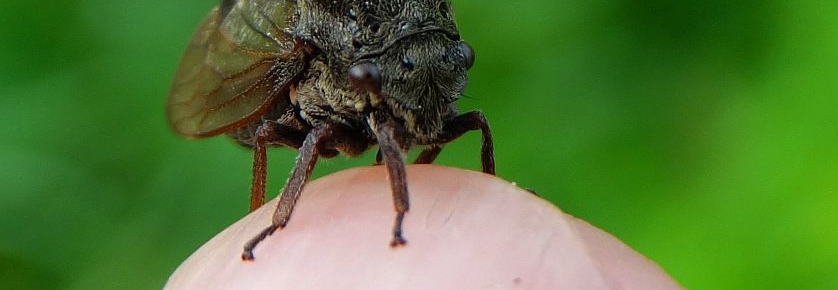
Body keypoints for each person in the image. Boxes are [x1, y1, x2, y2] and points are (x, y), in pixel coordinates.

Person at [167, 165, 682, 289]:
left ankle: (486, 199)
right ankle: (270, 222)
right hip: (317, 101)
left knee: (470, 118)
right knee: (315, 130)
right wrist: (271, 221)